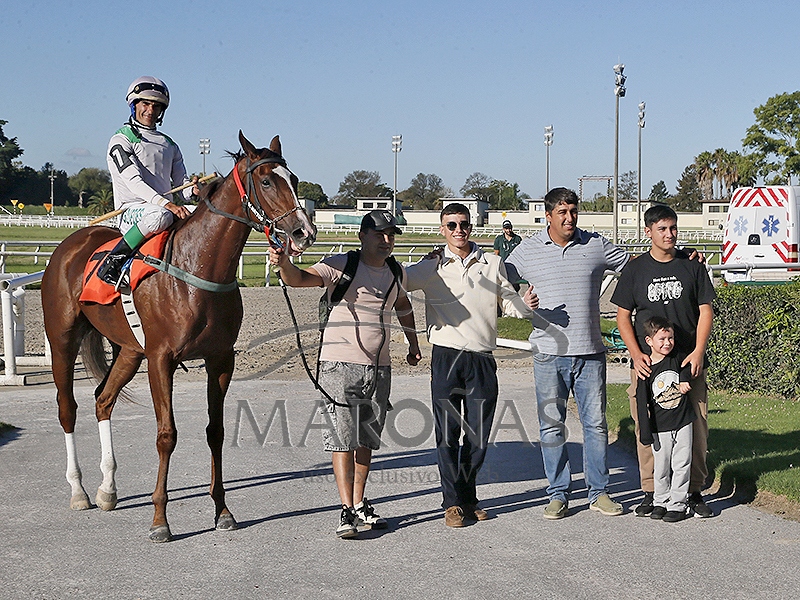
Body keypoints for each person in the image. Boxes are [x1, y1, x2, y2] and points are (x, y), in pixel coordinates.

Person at [269, 210, 421, 539]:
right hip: (339, 366)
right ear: (362, 236)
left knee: (366, 439)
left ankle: (360, 502)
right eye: (379, 234)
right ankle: (346, 509)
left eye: (391, 234)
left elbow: (403, 305)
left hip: (379, 368)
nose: (386, 240)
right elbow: (298, 279)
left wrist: (413, 343)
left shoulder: (396, 271)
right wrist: (283, 263)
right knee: (342, 439)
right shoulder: (341, 265)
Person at [404, 203, 538, 527]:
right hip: (446, 357)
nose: (458, 230)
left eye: (463, 224)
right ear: (442, 229)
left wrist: (526, 305)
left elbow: (510, 304)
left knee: (477, 437)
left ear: (471, 226)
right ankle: (453, 504)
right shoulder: (432, 265)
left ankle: (467, 497)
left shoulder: (492, 264)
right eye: (451, 225)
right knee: (447, 434)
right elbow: (398, 280)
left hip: (481, 358)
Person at [505, 187, 628, 519]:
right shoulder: (527, 249)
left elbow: (634, 266)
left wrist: (679, 257)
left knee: (595, 425)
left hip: (590, 352)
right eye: (562, 212)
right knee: (551, 426)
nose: (569, 218)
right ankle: (558, 493)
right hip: (548, 354)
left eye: (573, 211)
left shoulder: (595, 244)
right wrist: (520, 303)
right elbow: (499, 279)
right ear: (548, 216)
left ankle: (599, 492)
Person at [612, 204, 715, 519]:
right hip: (649, 366)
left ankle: (693, 491)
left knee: (696, 428)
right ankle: (652, 491)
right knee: (647, 427)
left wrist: (698, 351)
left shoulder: (692, 265)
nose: (669, 234)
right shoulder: (636, 270)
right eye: (662, 229)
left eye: (673, 228)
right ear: (648, 232)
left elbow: (706, 310)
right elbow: (622, 316)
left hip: (686, 364)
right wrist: (635, 353)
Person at [100, 76, 198, 287]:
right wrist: (167, 204)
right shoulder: (121, 139)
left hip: (164, 209)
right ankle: (113, 261)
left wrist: (195, 190)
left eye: (156, 106)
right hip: (132, 210)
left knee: (201, 215)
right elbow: (133, 182)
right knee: (160, 215)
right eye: (145, 104)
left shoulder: (169, 144)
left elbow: (182, 187)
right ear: (134, 105)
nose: (150, 110)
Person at [634, 316, 695, 523]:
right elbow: (641, 402)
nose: (667, 343)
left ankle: (678, 504)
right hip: (659, 427)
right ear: (649, 341)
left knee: (682, 463)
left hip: (683, 421)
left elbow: (688, 364)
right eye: (662, 339)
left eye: (670, 338)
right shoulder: (646, 368)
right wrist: (645, 431)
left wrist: (685, 378)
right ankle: (660, 501)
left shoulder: (677, 357)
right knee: (661, 467)